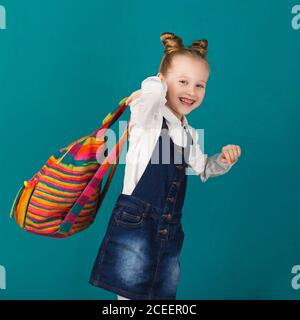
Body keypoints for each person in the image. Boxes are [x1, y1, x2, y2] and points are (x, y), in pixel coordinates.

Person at [89, 32, 241, 300]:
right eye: (182, 81)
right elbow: (148, 96)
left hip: (169, 227)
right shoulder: (149, 118)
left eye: (200, 85)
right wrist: (155, 82)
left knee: (161, 296)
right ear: (162, 82)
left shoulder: (189, 133)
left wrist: (223, 160)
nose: (191, 91)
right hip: (136, 221)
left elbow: (204, 169)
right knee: (130, 296)